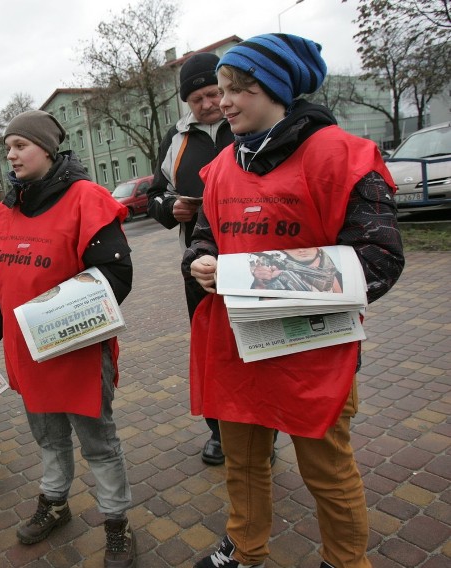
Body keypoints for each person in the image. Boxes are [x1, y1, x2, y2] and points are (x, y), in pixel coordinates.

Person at [182, 34, 404, 568]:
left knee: (327, 470)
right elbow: (207, 235)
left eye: (243, 88)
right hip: (241, 343)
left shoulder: (342, 156)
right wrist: (202, 260)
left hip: (313, 347)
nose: (226, 100)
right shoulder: (220, 168)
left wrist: (264, 280)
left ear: (278, 90)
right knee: (244, 464)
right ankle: (246, 549)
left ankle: (345, 561)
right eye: (223, 89)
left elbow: (378, 259)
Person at [0, 110, 136, 568]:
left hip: (77, 350)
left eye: (20, 145)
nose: (12, 154)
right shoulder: (3, 213)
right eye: (7, 148)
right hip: (28, 353)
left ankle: (116, 523)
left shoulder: (87, 199)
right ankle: (55, 502)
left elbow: (116, 274)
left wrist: (59, 317)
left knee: (99, 442)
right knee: (48, 439)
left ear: (46, 148)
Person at [147, 51, 235, 466]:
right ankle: (219, 431)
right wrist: (171, 210)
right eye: (197, 97)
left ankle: (262, 431)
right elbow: (155, 196)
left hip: (251, 254)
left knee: (254, 341)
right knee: (210, 345)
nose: (208, 104)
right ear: (187, 101)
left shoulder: (249, 125)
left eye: (214, 92)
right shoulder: (177, 139)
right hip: (199, 262)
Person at [250, 247, 343, 293]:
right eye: (293, 246)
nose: (301, 249)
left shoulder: (339, 276)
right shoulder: (278, 275)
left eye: (307, 244)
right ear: (284, 250)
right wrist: (259, 285)